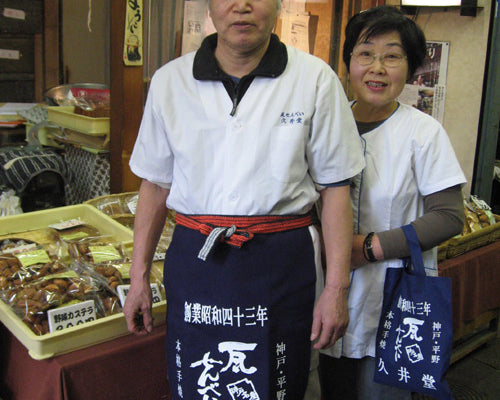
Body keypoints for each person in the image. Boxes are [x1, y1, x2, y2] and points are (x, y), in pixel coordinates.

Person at [123, 0, 365, 399]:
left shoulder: (315, 79)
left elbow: (336, 188)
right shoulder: (171, 82)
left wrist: (336, 289)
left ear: (279, 5)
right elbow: (154, 185)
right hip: (197, 260)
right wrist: (138, 280)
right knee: (203, 379)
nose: (242, 6)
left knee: (283, 379)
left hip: (283, 262)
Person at [319, 5, 466, 400]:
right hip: (326, 294)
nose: (377, 68)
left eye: (392, 56)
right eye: (365, 53)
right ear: (348, 61)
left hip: (392, 293)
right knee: (330, 387)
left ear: (411, 68)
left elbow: (450, 217)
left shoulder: (423, 132)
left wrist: (369, 248)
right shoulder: (328, 124)